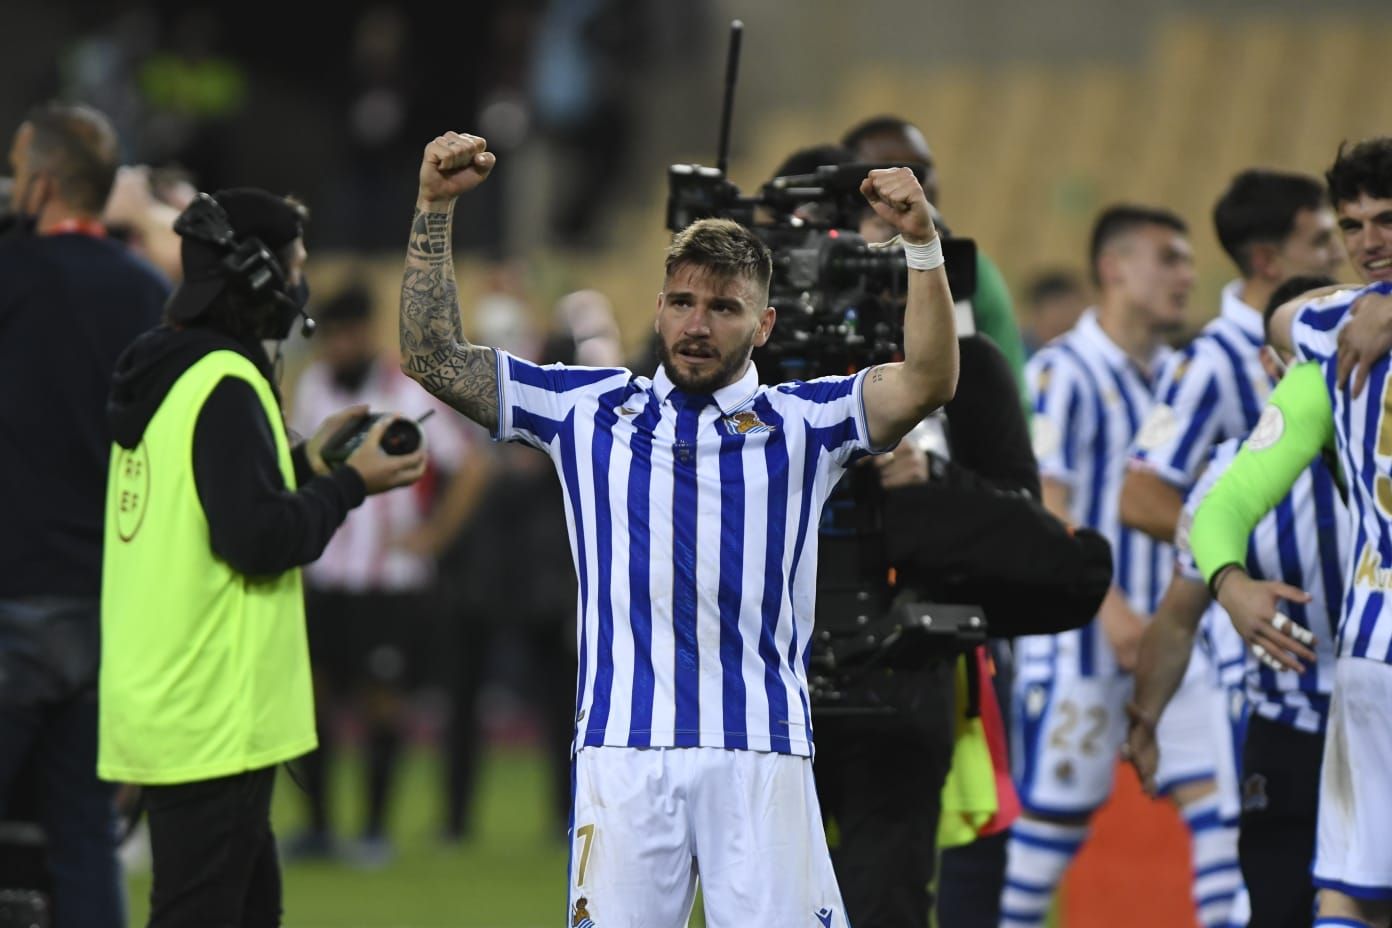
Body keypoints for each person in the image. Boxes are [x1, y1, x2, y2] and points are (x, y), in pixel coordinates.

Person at [400, 130, 957, 925]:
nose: (699, 324)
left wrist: (921, 245)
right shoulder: (584, 409)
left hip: (760, 751)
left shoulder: (808, 420)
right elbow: (432, 357)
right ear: (658, 306)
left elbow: (931, 379)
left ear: (763, 325)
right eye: (684, 302)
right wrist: (433, 209)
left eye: (724, 307)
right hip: (622, 753)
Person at [98, 187, 427, 926]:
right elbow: (257, 540)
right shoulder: (226, 380)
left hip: (172, 699)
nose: (301, 282)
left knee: (248, 910)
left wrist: (307, 461)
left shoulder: (169, 371)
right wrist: (350, 483)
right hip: (212, 713)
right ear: (256, 275)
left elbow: (213, 498)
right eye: (295, 264)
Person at [1119, 168, 1343, 925]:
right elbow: (1140, 496)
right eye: (1325, 238)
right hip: (1277, 706)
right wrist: (1228, 572)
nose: (1348, 252)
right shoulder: (1212, 368)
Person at [1191, 136, 1392, 928]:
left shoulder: (1332, 336)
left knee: (1353, 895)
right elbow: (1224, 506)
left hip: (1371, 654)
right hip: (1372, 662)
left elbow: (1280, 315)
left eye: (1387, 221)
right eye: (1353, 226)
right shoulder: (1338, 347)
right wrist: (1229, 584)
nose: (1369, 242)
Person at [0, 101, 169, 928]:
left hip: (14, 592)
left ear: (36, 182)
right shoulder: (146, 292)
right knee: (83, 839)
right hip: (107, 607)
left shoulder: (11, 275)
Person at [1001, 205, 1193, 928]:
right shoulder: (1060, 372)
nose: (1187, 275)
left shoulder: (1180, 373)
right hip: (1080, 646)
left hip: (1171, 640)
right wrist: (1107, 610)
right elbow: (1048, 504)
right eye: (1168, 259)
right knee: (1050, 836)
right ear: (1115, 269)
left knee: (1219, 813)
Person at [285, 284, 485, 865]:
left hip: (391, 583)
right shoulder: (317, 389)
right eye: (331, 337)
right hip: (326, 575)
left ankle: (373, 829)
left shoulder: (403, 392)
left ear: (366, 333)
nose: (338, 347)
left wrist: (433, 537)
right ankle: (319, 828)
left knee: (382, 701)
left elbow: (470, 466)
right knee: (313, 699)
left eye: (348, 334)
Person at [841, 115, 1028, 401]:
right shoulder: (831, 272)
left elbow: (1014, 398)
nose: (912, 181)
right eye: (888, 168)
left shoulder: (972, 271)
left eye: (922, 167)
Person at [1021, 270, 1089, 355]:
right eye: (1056, 330)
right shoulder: (1018, 357)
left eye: (1069, 330)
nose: (1062, 339)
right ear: (1036, 317)